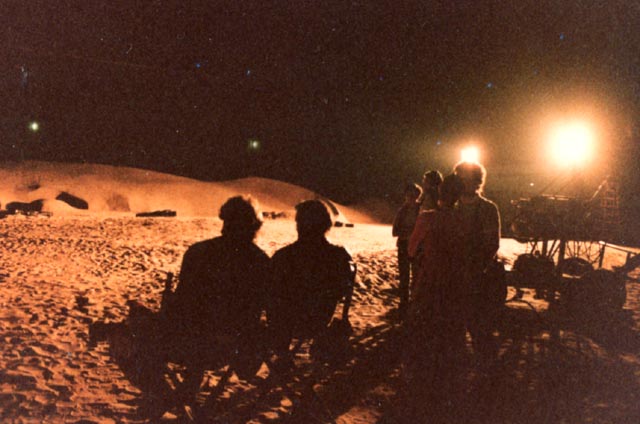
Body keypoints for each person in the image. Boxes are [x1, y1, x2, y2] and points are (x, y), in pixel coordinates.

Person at [166, 196, 270, 405]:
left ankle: (170, 394)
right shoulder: (261, 261)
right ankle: (181, 394)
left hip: (183, 342)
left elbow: (181, 303)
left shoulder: (198, 252)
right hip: (231, 347)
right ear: (254, 227)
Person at [270, 200, 355, 366]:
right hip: (319, 322)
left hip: (285, 325)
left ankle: (282, 353)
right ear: (326, 225)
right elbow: (342, 291)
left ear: (299, 225)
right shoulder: (339, 256)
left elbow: (270, 292)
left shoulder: (283, 257)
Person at [406, 174, 467, 391]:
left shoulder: (427, 218)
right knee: (449, 334)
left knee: (423, 329)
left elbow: (411, 250)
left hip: (429, 281)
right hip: (455, 285)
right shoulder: (464, 221)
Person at [453, 161, 501, 368]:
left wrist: (476, 270)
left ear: (477, 181)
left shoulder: (488, 209)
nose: (461, 181)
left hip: (477, 278)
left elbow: (492, 244)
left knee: (479, 328)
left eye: (465, 177)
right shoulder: (450, 206)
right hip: (452, 275)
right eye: (459, 177)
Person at [392, 183, 422, 321]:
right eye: (408, 195)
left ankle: (414, 304)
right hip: (404, 246)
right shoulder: (402, 211)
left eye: (413, 195)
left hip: (417, 247)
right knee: (404, 277)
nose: (410, 197)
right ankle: (404, 304)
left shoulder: (421, 211)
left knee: (416, 277)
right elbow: (395, 231)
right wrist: (410, 233)